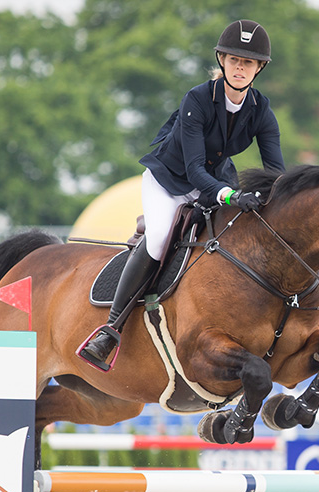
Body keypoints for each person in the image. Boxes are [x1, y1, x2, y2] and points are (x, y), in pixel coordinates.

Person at [78, 19, 286, 370]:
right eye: (234, 60)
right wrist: (232, 197)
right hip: (170, 181)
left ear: (259, 68)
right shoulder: (198, 99)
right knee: (160, 238)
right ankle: (110, 328)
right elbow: (193, 170)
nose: (240, 68)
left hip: (216, 182)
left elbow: (276, 173)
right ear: (222, 60)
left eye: (248, 62)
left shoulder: (261, 110)